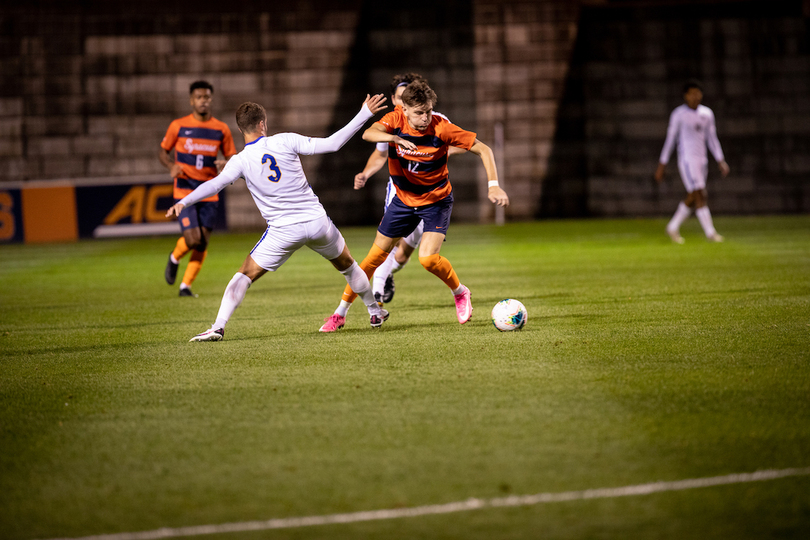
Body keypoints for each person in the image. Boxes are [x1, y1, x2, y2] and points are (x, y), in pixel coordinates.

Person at [165, 94, 390, 341]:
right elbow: (333, 144)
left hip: (283, 231)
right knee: (348, 265)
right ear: (263, 124)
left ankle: (218, 326)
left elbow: (214, 185)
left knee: (244, 275)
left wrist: (184, 201)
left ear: (240, 129)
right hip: (317, 223)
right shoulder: (286, 140)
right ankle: (373, 310)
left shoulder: (239, 161)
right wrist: (364, 114)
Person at [320, 80, 509, 332]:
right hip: (403, 201)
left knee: (428, 259)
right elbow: (368, 134)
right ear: (405, 109)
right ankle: (340, 313)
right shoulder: (395, 120)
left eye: (428, 111)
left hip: (436, 201)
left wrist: (493, 185)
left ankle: (460, 292)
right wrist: (395, 139)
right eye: (419, 112)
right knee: (372, 259)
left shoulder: (441, 127)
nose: (425, 117)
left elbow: (483, 149)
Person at [353, 73, 466, 306]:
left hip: (431, 195)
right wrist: (365, 172)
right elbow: (380, 152)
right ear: (396, 100)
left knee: (405, 255)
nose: (401, 102)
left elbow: (462, 144)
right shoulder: (391, 121)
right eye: (398, 98)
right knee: (385, 246)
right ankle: (377, 295)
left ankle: (389, 275)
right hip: (400, 191)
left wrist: (434, 155)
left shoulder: (434, 119)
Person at [159, 80, 237, 297]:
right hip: (185, 188)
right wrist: (171, 166)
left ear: (211, 100)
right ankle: (175, 257)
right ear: (192, 100)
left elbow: (232, 155)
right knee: (193, 239)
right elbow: (163, 152)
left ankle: (185, 287)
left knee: (202, 242)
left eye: (207, 97)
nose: (204, 101)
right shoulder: (179, 126)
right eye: (200, 97)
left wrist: (226, 162)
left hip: (209, 190)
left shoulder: (221, 128)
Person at [655, 79, 729, 243]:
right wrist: (662, 164)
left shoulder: (707, 113)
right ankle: (711, 233)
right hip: (687, 160)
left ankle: (673, 227)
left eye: (698, 93)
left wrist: (720, 160)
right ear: (685, 96)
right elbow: (670, 140)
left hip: (702, 160)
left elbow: (712, 138)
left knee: (693, 195)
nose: (695, 96)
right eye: (692, 93)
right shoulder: (679, 115)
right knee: (700, 194)